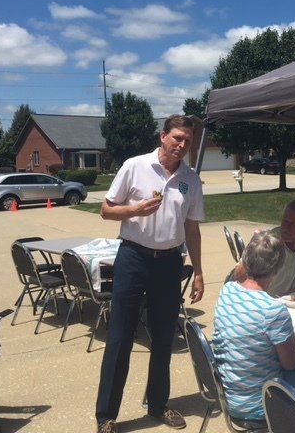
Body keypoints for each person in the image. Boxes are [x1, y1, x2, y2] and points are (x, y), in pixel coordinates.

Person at [95, 115, 205, 433]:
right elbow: (105, 209)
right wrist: (133, 210)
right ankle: (106, 416)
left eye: (187, 140)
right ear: (163, 137)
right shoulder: (135, 166)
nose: (182, 145)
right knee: (120, 338)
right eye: (177, 138)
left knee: (163, 338)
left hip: (170, 263)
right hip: (133, 258)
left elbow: (192, 227)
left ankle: (158, 404)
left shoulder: (191, 179)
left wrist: (198, 271)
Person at [212, 230, 295, 423]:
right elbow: (291, 364)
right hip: (260, 405)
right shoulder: (273, 310)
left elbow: (239, 273)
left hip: (225, 394)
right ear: (278, 268)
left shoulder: (227, 289)